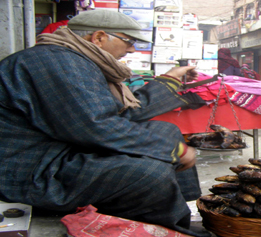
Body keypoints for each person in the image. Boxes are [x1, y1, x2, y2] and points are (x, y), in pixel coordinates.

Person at [0, 10, 209, 237]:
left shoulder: (71, 59)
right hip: (34, 173)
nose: (131, 49)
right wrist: (174, 151)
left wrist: (170, 80)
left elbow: (118, 114)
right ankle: (170, 229)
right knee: (150, 172)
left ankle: (183, 207)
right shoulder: (56, 62)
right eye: (129, 42)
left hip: (61, 149)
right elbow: (97, 126)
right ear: (99, 37)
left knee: (166, 131)